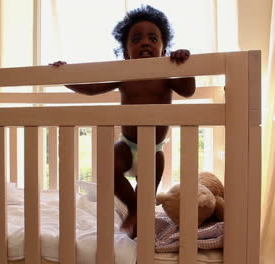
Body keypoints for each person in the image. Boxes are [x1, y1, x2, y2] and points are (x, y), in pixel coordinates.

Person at [50, 5, 196, 238]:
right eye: (136, 39)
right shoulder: (124, 74)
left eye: (152, 38)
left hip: (154, 150)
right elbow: (93, 88)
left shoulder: (166, 74)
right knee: (108, 165)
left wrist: (185, 65)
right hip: (127, 145)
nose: (145, 42)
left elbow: (188, 91)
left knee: (146, 194)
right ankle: (134, 209)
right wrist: (65, 76)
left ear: (163, 48)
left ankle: (140, 221)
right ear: (127, 52)